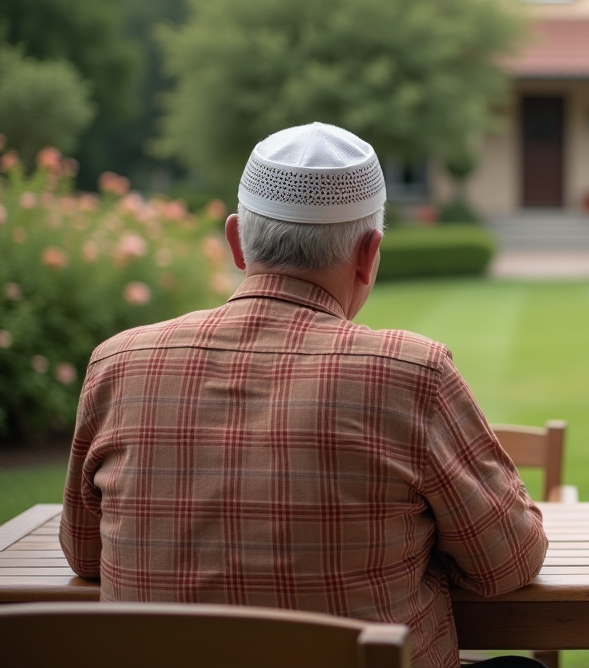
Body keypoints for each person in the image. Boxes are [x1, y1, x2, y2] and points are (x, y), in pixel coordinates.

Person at [60, 122, 548, 668]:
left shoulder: (118, 363)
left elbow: (85, 554)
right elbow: (508, 561)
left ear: (237, 242)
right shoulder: (411, 372)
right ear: (369, 254)